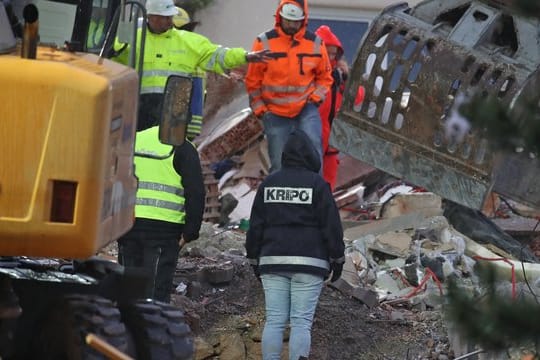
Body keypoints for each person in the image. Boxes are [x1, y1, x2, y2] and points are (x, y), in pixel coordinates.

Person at [246, 129, 345, 360]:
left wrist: (253, 259)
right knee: (301, 323)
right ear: (311, 156)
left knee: (275, 320)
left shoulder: (268, 184)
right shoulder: (318, 185)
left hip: (272, 261)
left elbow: (256, 227)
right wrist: (337, 259)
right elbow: (331, 227)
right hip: (310, 263)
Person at [112, 0, 270, 133]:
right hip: (140, 110)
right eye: (165, 17)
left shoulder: (189, 41)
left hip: (175, 111)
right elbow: (111, 62)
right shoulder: (131, 39)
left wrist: (244, 56)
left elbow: (217, 54)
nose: (169, 21)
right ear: (151, 17)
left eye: (170, 17)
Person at [117, 126, 205, 302]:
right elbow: (196, 192)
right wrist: (190, 233)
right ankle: (149, 326)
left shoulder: (131, 141)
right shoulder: (182, 147)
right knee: (156, 292)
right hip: (164, 231)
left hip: (128, 225)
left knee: (127, 290)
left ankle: (125, 326)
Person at [244, 0, 333, 173]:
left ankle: (315, 193)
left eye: (295, 21)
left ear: (303, 20)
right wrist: (260, 109)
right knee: (278, 160)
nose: (292, 25)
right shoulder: (264, 42)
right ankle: (279, 198)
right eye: (288, 20)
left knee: (314, 152)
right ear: (280, 17)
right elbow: (253, 79)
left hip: (306, 107)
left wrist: (315, 99)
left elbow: (325, 77)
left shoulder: (315, 43)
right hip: (274, 111)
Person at [315, 25, 349, 191]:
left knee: (326, 191)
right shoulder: (307, 73)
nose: (329, 57)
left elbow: (357, 98)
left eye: (333, 53)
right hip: (311, 141)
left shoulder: (338, 76)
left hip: (330, 144)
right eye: (326, 52)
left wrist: (347, 80)